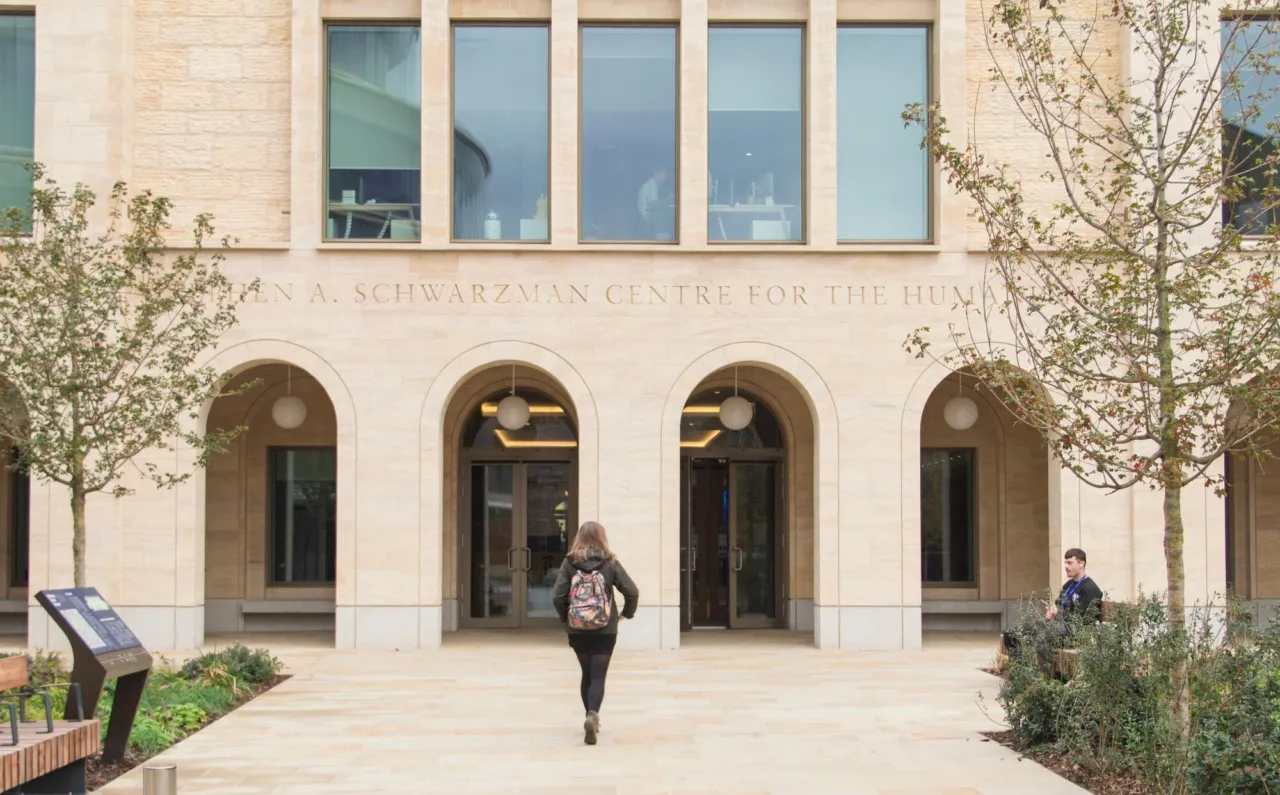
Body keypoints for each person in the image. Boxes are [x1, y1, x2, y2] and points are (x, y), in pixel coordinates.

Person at [552, 521, 639, 746]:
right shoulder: (609, 561)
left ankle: (589, 716)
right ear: (602, 537)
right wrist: (625, 614)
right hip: (605, 628)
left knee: (586, 673)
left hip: (577, 628)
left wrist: (566, 619)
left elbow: (557, 596)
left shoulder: (569, 562)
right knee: (598, 675)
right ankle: (593, 714)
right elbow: (632, 591)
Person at [1001, 547, 1104, 660]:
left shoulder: (1091, 589)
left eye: (1070, 563)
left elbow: (1082, 620)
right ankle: (1020, 670)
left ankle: (1042, 675)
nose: (1066, 566)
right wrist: (1052, 612)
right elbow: (1059, 606)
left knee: (1041, 637)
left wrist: (1058, 614)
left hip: (1073, 632)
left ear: (1081, 564)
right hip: (1056, 627)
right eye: (1065, 563)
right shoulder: (1068, 585)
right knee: (1011, 634)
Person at [636, 166, 669, 238]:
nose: (665, 176)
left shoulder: (652, 184)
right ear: (656, 173)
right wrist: (667, 201)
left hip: (647, 215)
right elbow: (654, 204)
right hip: (646, 216)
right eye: (663, 173)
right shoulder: (652, 183)